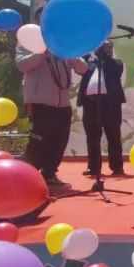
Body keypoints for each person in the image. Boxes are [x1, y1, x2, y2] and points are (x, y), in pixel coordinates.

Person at [17, 10, 88, 188]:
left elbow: (83, 69)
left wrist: (71, 56)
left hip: (62, 103)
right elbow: (21, 65)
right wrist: (41, 52)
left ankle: (49, 175)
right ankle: (27, 178)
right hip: (40, 101)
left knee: (60, 140)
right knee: (39, 140)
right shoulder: (29, 39)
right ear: (38, 21)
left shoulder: (62, 41)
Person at [77, 41, 126, 176]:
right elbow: (80, 68)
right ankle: (93, 167)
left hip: (111, 105)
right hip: (91, 104)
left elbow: (114, 70)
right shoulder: (89, 63)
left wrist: (101, 54)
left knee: (114, 136)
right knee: (92, 137)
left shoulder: (117, 63)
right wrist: (90, 50)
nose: (106, 49)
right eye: (103, 47)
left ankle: (117, 167)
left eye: (109, 47)